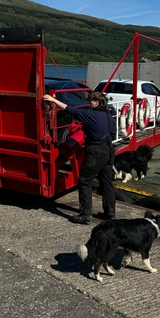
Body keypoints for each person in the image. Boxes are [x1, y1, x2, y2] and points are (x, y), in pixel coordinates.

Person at [43, 91, 117, 223]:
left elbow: (70, 109)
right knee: (107, 183)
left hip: (96, 151)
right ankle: (110, 213)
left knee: (84, 180)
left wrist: (53, 101)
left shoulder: (90, 114)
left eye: (92, 101)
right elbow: (113, 132)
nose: (89, 103)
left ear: (97, 102)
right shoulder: (108, 116)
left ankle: (86, 214)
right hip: (109, 151)